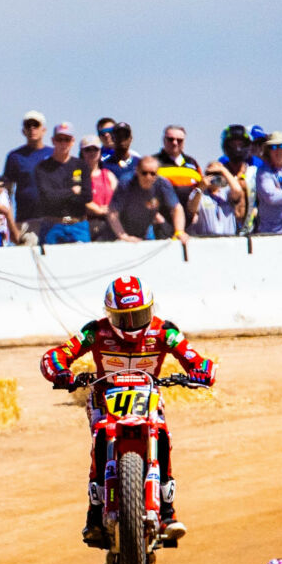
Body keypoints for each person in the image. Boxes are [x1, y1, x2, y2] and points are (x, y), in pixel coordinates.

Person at [38, 275, 214, 544]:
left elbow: (198, 361)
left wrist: (200, 373)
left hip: (147, 393)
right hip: (104, 395)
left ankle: (167, 512)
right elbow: (54, 356)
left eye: (139, 315)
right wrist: (61, 374)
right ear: (109, 315)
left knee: (162, 436)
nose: (131, 325)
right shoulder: (95, 331)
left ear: (151, 309)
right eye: (124, 318)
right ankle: (94, 516)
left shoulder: (165, 331)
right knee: (99, 439)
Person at [106, 157, 184, 241]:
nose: (148, 177)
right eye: (144, 173)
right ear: (137, 171)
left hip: (143, 231)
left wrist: (179, 232)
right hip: (117, 232)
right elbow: (112, 212)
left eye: (152, 173)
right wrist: (124, 236)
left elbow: (177, 208)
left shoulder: (163, 184)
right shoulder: (126, 183)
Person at [28, 122, 82, 235]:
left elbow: (85, 196)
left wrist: (59, 194)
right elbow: (47, 197)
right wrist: (72, 191)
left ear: (72, 141)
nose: (63, 143)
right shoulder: (43, 167)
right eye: (59, 139)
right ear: (53, 140)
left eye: (67, 139)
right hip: (51, 225)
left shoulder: (79, 166)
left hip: (77, 225)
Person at [0, 111, 52, 221]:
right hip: (25, 219)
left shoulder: (54, 154)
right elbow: (7, 190)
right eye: (28, 126)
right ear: (23, 131)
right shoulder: (15, 156)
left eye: (36, 125)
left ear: (44, 130)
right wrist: (9, 222)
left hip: (51, 220)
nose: (32, 129)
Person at [189, 162, 243, 237]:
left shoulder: (227, 193)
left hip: (229, 240)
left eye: (218, 174)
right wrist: (201, 187)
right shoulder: (199, 193)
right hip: (205, 240)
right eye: (211, 174)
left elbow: (238, 191)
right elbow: (191, 209)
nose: (214, 177)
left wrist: (222, 170)